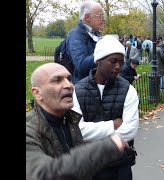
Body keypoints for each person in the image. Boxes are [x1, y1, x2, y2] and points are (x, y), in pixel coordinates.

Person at [26, 63, 129, 180]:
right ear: (37, 93)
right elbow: (43, 174)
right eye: (57, 80)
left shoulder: (70, 121)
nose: (69, 85)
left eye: (69, 79)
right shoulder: (29, 130)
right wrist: (106, 148)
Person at [72, 35, 139, 180]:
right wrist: (112, 125)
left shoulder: (128, 90)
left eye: (121, 63)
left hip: (119, 165)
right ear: (98, 61)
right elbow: (76, 130)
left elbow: (130, 130)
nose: (118, 67)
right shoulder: (77, 91)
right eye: (113, 61)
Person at [66, 1, 105, 84]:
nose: (103, 19)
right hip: (84, 89)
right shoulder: (75, 35)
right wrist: (106, 51)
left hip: (95, 85)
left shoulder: (97, 35)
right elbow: (81, 65)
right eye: (100, 16)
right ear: (87, 17)